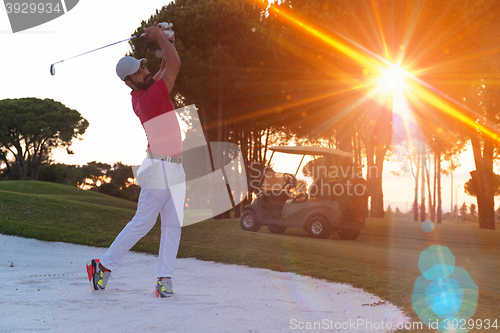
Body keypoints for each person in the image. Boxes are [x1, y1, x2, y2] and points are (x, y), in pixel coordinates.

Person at [86, 22, 184, 298]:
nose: (145, 70)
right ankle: (102, 268)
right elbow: (173, 64)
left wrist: (168, 39)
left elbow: (167, 63)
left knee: (173, 226)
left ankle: (164, 279)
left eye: (143, 65)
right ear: (129, 82)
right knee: (142, 223)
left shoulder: (151, 88)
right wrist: (158, 38)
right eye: (139, 71)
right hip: (158, 167)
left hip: (175, 167)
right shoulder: (147, 98)